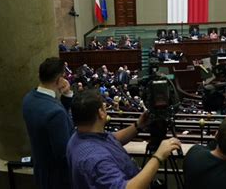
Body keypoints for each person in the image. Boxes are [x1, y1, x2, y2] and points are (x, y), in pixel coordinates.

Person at [66, 89, 181, 189]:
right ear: (101, 113)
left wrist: (138, 125)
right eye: (103, 106)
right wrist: (158, 157)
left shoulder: (79, 136)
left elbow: (112, 139)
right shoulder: (96, 159)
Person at [22, 57, 74, 189]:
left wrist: (67, 94)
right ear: (59, 79)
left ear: (39, 75)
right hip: (58, 179)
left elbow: (51, 111)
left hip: (41, 170)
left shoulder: (28, 98)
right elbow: (63, 155)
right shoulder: (55, 113)